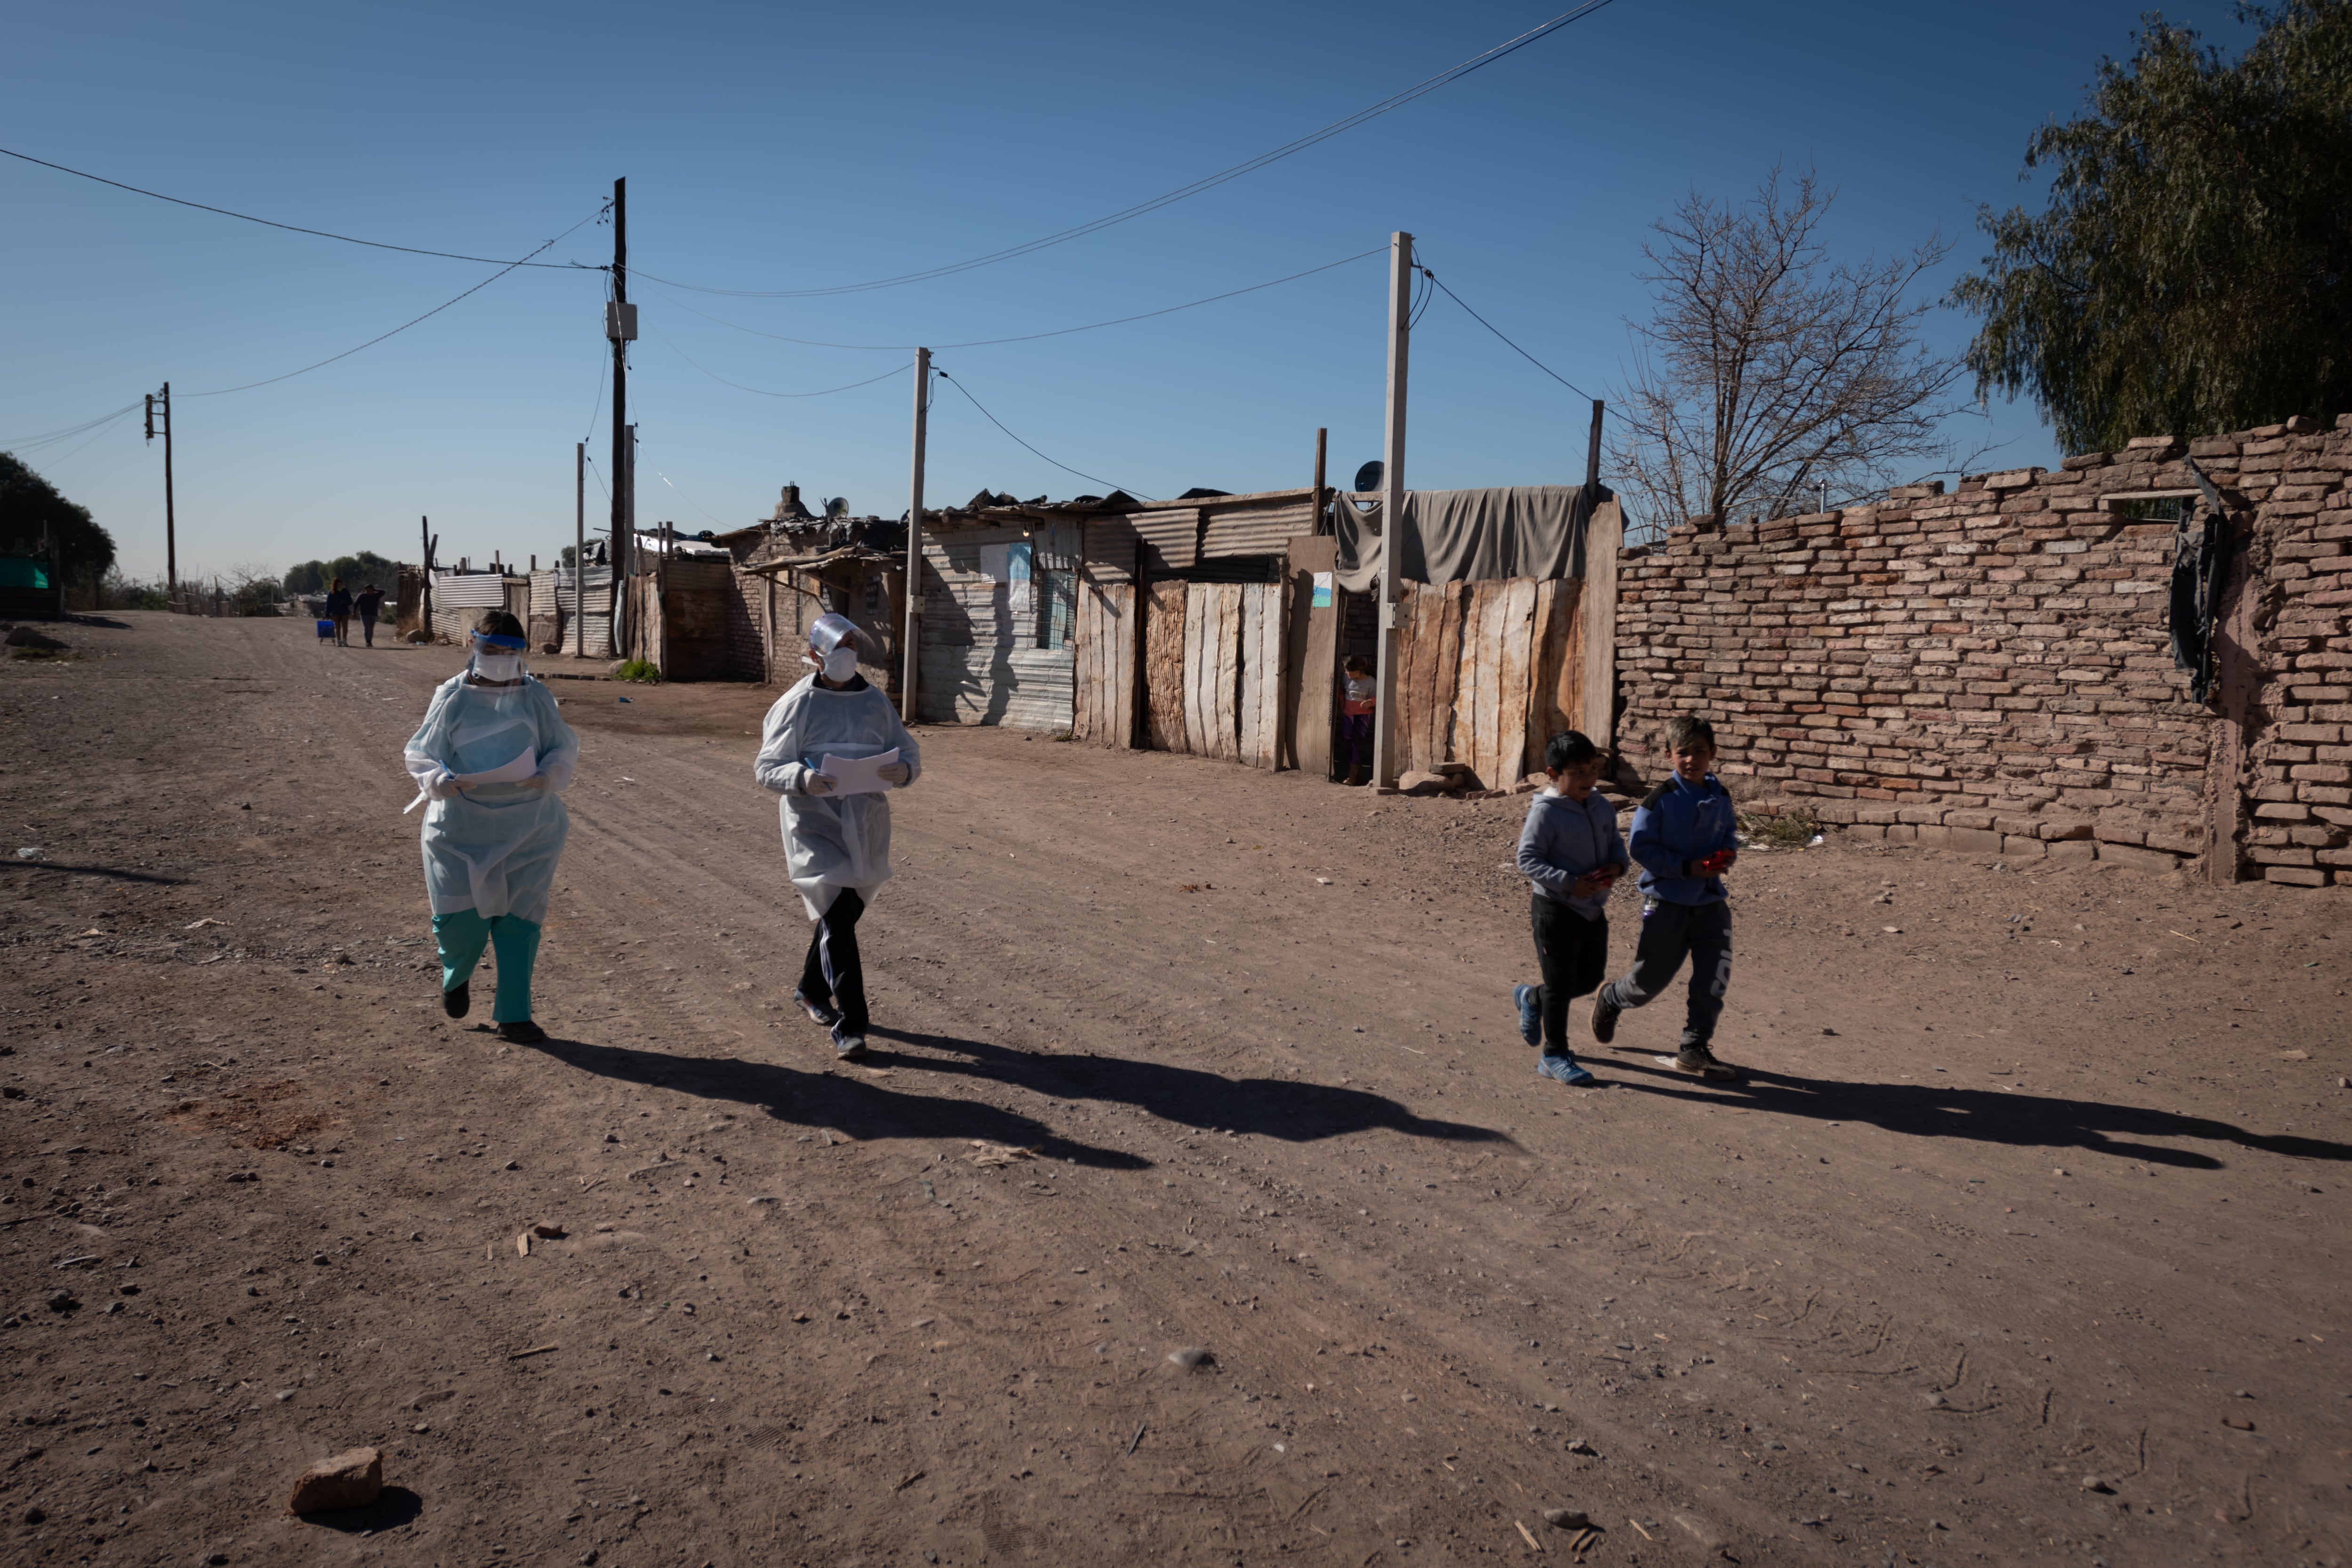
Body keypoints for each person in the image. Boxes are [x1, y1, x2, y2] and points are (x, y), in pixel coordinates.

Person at [403, 609, 578, 1044]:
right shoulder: (453, 696)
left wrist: (549, 774)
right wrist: (437, 780)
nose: (500, 657)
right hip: (460, 826)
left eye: (510, 651)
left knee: (520, 922)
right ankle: (456, 974)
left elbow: (562, 745)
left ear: (523, 653)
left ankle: (515, 1014)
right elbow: (423, 751)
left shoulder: (536, 696)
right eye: (491, 649)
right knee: (460, 920)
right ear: (473, 647)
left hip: (530, 825)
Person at [753, 613, 920, 1059]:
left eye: (851, 644)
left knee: (843, 912)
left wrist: (904, 770)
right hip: (814, 823)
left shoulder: (875, 702)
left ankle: (810, 989)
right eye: (837, 645)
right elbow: (766, 767)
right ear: (815, 655)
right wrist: (802, 778)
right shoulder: (797, 704)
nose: (846, 653)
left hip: (865, 821)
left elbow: (906, 749)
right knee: (837, 917)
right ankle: (852, 1025)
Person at [1589, 715, 1742, 1079]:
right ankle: (1612, 997)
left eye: (1700, 751)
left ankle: (1694, 1047)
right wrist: (1688, 868)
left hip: (1710, 903)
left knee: (1712, 979)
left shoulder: (1720, 795)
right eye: (1684, 752)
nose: (1692, 759)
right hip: (1667, 903)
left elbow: (1730, 834)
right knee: (1648, 983)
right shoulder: (1660, 800)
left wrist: (1727, 855)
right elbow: (1641, 848)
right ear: (1668, 755)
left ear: (1713, 753)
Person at [1511, 730, 1626, 1086]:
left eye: (1592, 769)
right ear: (1553, 774)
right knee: (1560, 985)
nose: (1588, 778)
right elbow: (1527, 859)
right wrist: (1567, 882)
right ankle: (1554, 1055)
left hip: (1592, 909)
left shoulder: (1601, 805)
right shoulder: (1545, 812)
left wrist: (1617, 867)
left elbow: (1616, 845)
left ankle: (1531, 997)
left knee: (1590, 978)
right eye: (1577, 772)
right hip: (1555, 908)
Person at [1338, 654, 1375, 786]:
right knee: (1347, 741)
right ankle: (1356, 770)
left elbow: (1376, 696)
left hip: (1362, 717)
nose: (1346, 673)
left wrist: (1370, 702)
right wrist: (1342, 700)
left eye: (1348, 671)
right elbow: (1342, 689)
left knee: (1357, 744)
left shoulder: (1371, 682)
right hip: (1349, 715)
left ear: (1357, 672)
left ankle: (1352, 776)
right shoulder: (1346, 679)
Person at [324, 578, 354, 647]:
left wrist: (344, 602)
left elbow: (350, 601)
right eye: (338, 584)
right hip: (335, 612)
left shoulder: (345, 591)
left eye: (341, 584)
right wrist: (327, 614)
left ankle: (345, 640)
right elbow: (328, 604)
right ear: (335, 585)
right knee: (338, 627)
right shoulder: (331, 592)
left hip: (345, 612)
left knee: (345, 627)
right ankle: (339, 641)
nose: (340, 586)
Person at [354, 582, 385, 647]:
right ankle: (367, 641)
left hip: (373, 614)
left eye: (370, 590)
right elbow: (356, 604)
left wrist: (375, 590)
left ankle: (370, 641)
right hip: (364, 614)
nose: (368, 592)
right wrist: (354, 613)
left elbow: (383, 592)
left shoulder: (376, 596)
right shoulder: (362, 596)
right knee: (367, 628)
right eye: (367, 590)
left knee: (371, 629)